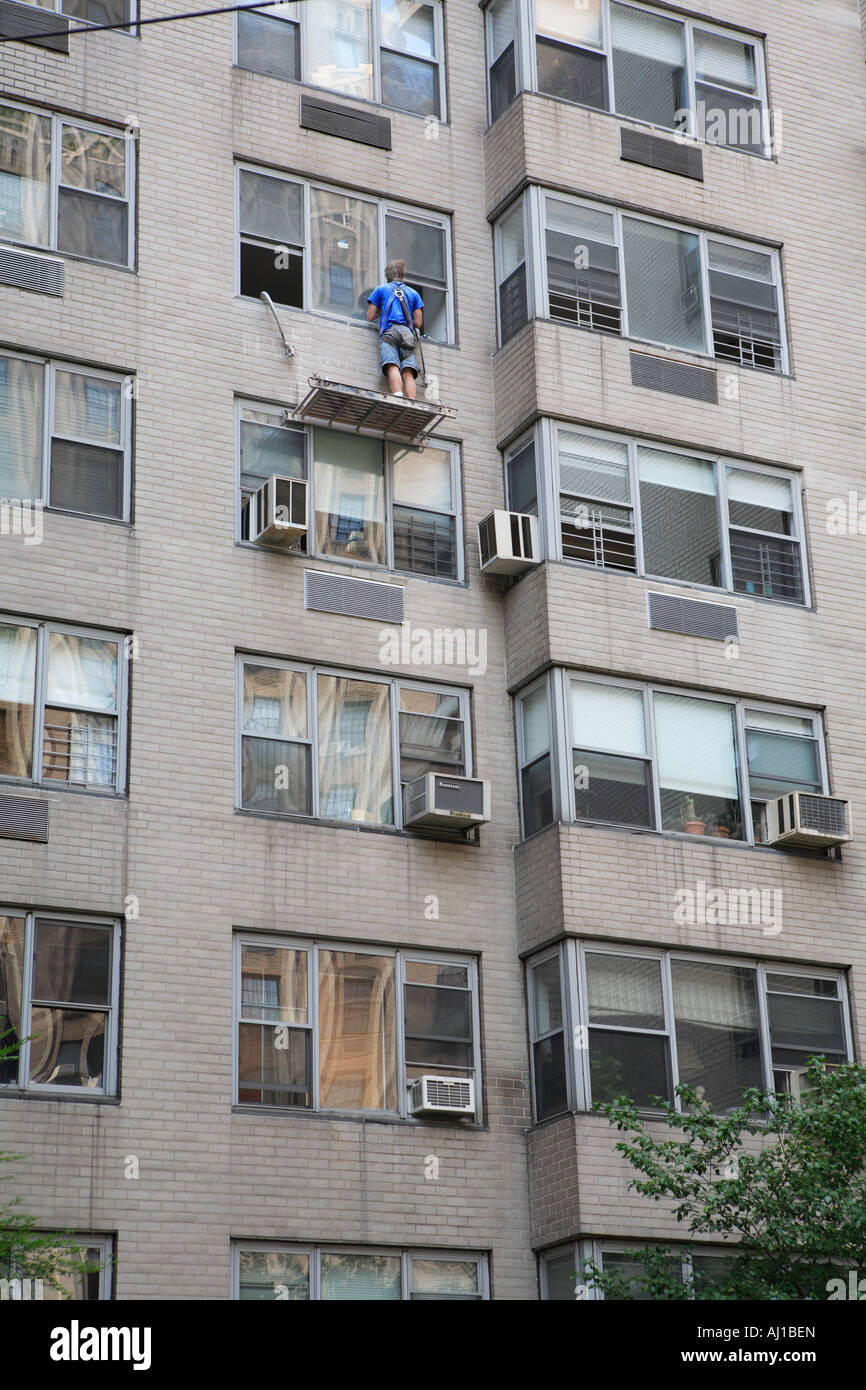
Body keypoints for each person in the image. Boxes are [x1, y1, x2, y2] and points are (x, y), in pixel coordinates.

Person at [367, 260, 424, 400]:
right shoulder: (413, 293)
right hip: (407, 334)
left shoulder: (381, 290)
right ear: (403, 275)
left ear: (387, 276)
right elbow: (418, 323)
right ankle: (411, 401)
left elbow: (370, 316)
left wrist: (382, 310)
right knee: (408, 371)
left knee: (392, 365)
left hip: (390, 332)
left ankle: (398, 396)